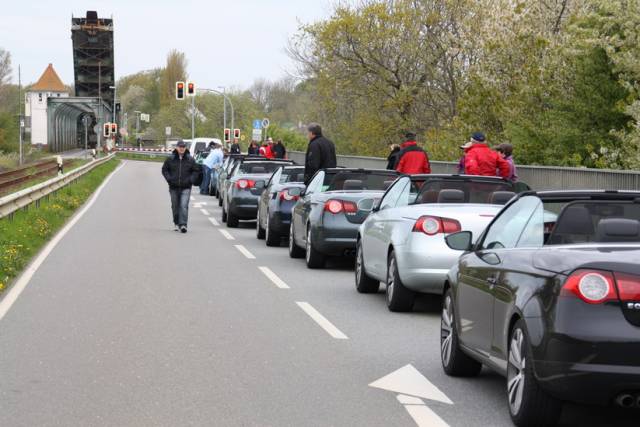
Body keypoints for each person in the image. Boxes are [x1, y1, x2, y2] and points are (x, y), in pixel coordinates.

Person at [161, 140, 201, 233]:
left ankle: (183, 224)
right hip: (173, 187)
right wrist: (169, 179)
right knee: (175, 206)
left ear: (185, 148)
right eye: (180, 147)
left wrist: (191, 180)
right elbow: (164, 170)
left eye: (183, 147)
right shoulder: (170, 159)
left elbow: (196, 171)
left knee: (183, 205)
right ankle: (176, 222)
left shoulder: (190, 159)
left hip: (186, 187)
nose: (182, 148)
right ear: (177, 148)